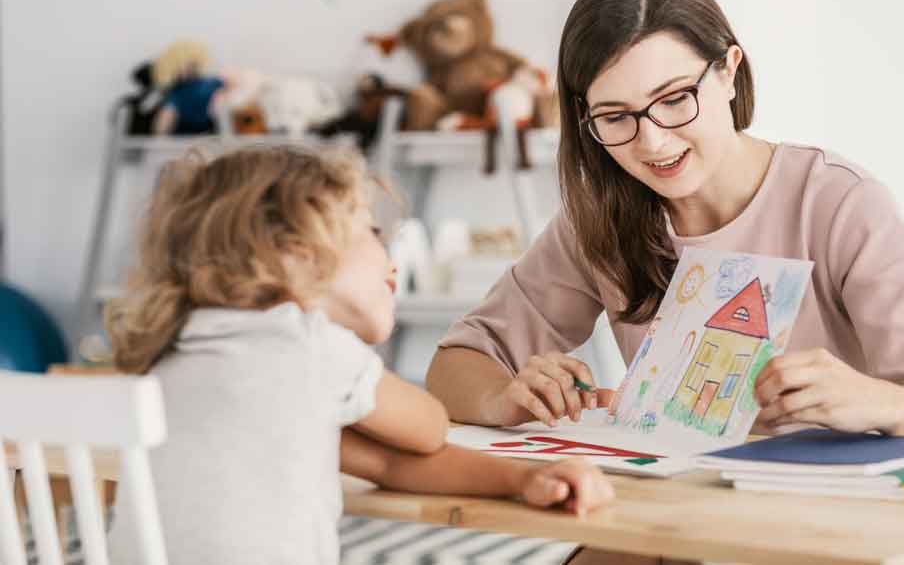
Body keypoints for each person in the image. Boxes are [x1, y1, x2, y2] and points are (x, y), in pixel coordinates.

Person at [426, 0, 904, 461]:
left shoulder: (837, 202)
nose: (652, 143)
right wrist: (503, 396)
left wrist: (873, 400)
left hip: (832, 522)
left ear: (727, 71)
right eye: (616, 116)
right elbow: (457, 364)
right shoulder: (602, 217)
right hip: (680, 515)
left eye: (674, 99)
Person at [105, 145, 614, 564]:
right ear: (296, 255)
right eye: (371, 232)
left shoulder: (174, 351)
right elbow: (427, 429)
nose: (388, 254)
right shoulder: (308, 345)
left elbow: (383, 463)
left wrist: (523, 478)